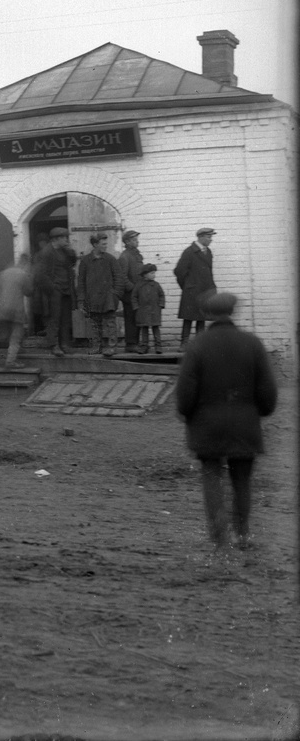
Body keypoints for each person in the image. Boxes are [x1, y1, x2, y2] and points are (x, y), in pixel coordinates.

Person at [175, 292, 277, 550]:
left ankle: (219, 536)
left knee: (211, 477)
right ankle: (242, 534)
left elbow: (185, 394)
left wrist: (187, 413)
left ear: (208, 315)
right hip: (245, 424)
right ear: (232, 312)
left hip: (207, 426)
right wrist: (259, 412)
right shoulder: (252, 343)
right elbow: (268, 393)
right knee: (242, 480)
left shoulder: (197, 346)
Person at [34, 227, 78, 357]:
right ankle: (54, 345)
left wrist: (71, 252)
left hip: (66, 289)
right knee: (55, 318)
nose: (66, 240)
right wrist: (52, 289)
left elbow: (72, 263)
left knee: (65, 318)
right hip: (55, 291)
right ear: (57, 239)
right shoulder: (46, 252)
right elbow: (40, 275)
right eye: (64, 237)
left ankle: (64, 344)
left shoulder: (64, 251)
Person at [76, 233, 121, 356]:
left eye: (106, 244)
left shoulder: (110, 259)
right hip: (92, 298)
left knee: (110, 323)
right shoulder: (85, 261)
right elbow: (81, 282)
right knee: (95, 324)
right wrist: (81, 300)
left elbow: (118, 278)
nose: (106, 246)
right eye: (103, 244)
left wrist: (115, 295)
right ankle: (97, 346)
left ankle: (112, 346)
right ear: (95, 244)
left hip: (108, 298)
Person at [174, 227, 217, 348]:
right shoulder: (189, 252)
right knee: (188, 318)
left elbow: (209, 272)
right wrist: (187, 286)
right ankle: (184, 343)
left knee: (201, 318)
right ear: (201, 237)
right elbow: (179, 271)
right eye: (208, 237)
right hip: (192, 291)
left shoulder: (208, 252)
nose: (210, 240)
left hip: (204, 291)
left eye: (211, 237)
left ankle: (200, 344)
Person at [0, 254, 33, 368]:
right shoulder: (23, 274)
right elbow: (29, 291)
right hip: (15, 310)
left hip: (1, 309)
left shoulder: (3, 273)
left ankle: (16, 352)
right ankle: (10, 361)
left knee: (8, 334)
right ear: (26, 264)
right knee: (16, 334)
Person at [116, 230, 144, 352]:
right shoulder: (125, 256)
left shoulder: (136, 255)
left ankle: (136, 343)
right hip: (130, 294)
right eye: (134, 240)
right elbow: (122, 277)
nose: (136, 241)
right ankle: (131, 344)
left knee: (137, 318)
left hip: (137, 293)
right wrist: (133, 288)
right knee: (131, 318)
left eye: (137, 239)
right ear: (127, 242)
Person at [134, 264, 166, 354]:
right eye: (152, 273)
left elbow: (161, 295)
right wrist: (136, 307)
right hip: (143, 311)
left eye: (154, 273)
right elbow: (134, 297)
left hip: (154, 311)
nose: (154, 275)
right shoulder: (139, 286)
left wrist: (161, 305)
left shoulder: (156, 285)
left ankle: (158, 346)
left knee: (156, 328)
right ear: (145, 275)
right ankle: (144, 346)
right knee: (144, 329)